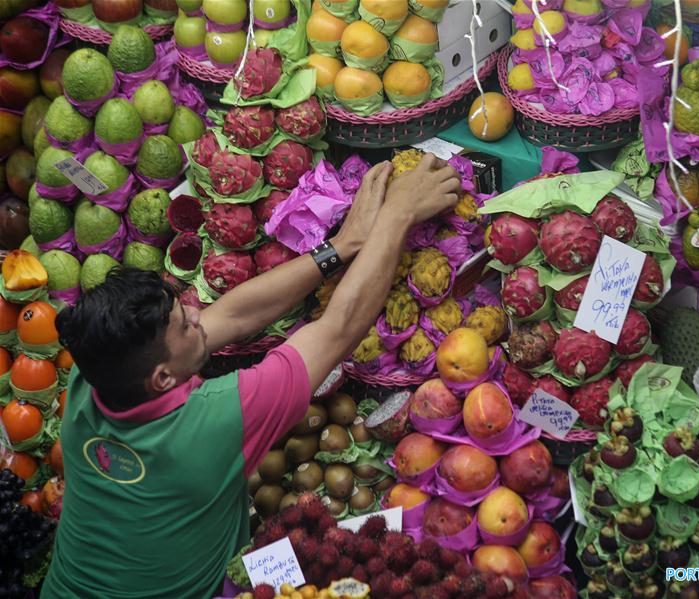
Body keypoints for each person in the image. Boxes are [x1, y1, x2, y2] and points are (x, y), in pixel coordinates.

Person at [40, 155, 462, 598]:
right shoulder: (213, 421)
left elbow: (234, 314)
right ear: (162, 378)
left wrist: (342, 247)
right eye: (183, 323)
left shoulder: (94, 378)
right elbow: (339, 327)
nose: (194, 312)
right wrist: (398, 215)